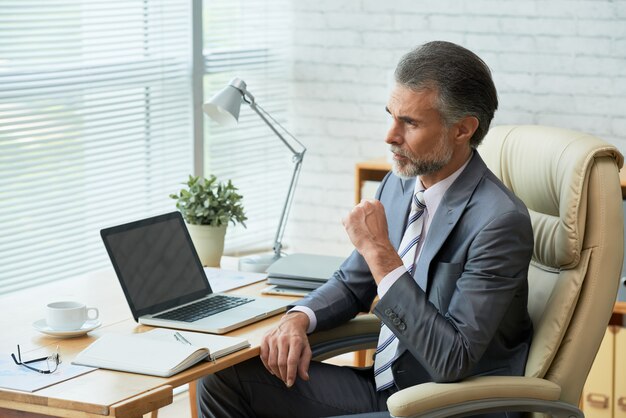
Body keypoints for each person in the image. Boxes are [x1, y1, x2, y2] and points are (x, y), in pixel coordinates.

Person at [197, 40, 534, 418]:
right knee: (223, 378)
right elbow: (352, 282)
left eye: (410, 122)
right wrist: (297, 319)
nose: (390, 136)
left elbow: (452, 360)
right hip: (387, 390)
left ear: (462, 129)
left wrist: (381, 254)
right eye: (391, 115)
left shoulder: (500, 222)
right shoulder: (400, 182)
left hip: (448, 406)